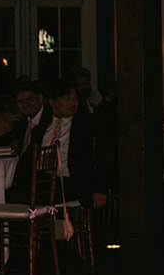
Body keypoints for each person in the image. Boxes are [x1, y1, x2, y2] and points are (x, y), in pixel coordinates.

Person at [37, 81, 111, 209]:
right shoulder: (42, 128)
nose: (73, 103)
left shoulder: (87, 125)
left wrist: (100, 188)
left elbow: (103, 156)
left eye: (75, 99)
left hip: (72, 182)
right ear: (52, 102)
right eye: (67, 99)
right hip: (44, 182)